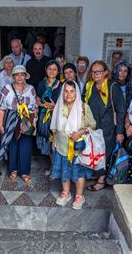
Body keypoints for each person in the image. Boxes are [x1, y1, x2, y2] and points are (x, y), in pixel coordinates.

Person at [50, 81, 96, 210]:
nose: (68, 94)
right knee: (64, 169)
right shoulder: (59, 107)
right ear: (62, 93)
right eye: (66, 91)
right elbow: (55, 128)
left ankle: (79, 196)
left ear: (76, 93)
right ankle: (66, 193)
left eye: (72, 91)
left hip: (78, 148)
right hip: (61, 145)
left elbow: (92, 125)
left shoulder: (83, 107)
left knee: (78, 172)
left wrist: (80, 132)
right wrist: (54, 141)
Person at [83, 61, 126, 191]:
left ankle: (102, 181)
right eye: (93, 71)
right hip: (92, 127)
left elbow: (121, 110)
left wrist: (119, 131)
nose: (95, 74)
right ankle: (98, 175)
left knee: (104, 153)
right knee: (95, 152)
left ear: (105, 72)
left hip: (108, 128)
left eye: (98, 71)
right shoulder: (89, 86)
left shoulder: (112, 86)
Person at [0, 65, 37, 185]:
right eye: (17, 74)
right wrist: (1, 124)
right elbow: (1, 108)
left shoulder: (31, 89)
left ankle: (24, 171)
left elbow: (34, 107)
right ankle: (13, 169)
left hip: (26, 119)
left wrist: (33, 123)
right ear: (13, 76)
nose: (20, 76)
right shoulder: (7, 88)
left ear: (25, 76)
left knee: (25, 145)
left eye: (22, 74)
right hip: (11, 119)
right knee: (13, 144)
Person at [36, 60, 62, 173]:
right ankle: (53, 167)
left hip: (56, 116)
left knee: (56, 142)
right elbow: (37, 99)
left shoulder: (61, 85)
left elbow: (65, 103)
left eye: (54, 69)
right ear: (46, 70)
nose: (52, 71)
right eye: (49, 69)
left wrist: (54, 105)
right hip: (44, 116)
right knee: (47, 142)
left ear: (58, 71)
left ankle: (58, 168)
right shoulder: (42, 84)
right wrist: (43, 104)